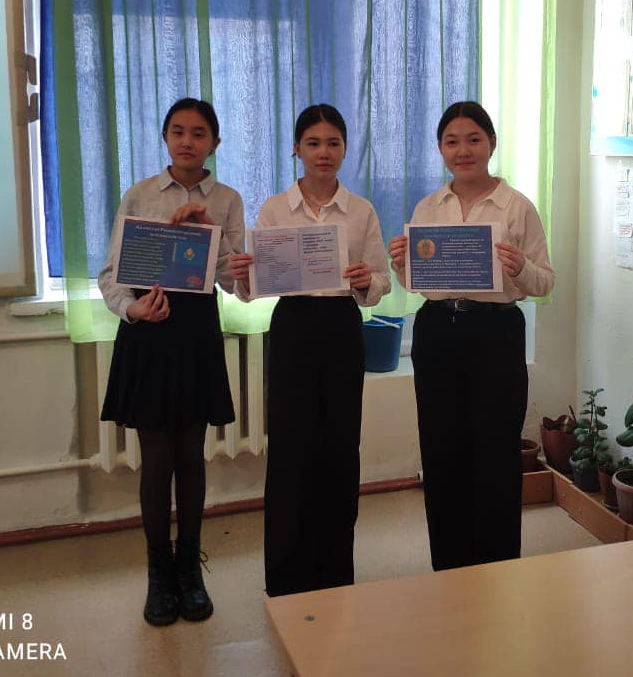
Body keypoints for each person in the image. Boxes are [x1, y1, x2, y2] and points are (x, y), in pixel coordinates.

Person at [229, 104, 390, 596]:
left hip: (342, 327)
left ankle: (335, 571)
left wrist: (365, 282)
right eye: (314, 143)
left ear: (345, 148)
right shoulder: (275, 208)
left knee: (339, 447)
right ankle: (286, 575)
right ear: (296, 148)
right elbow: (253, 287)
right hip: (294, 328)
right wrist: (243, 276)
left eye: (333, 143)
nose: (324, 152)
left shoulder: (361, 210)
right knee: (291, 448)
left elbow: (380, 281)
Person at [388, 101, 554, 571]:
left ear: (491, 144)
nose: (463, 150)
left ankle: (498, 569)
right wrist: (400, 264)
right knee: (441, 450)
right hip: (437, 332)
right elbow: (417, 284)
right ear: (440, 148)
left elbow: (545, 282)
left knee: (496, 451)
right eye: (452, 141)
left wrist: (520, 268)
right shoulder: (429, 206)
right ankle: (449, 567)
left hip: (495, 333)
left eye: (473, 139)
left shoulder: (517, 206)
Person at [98, 97, 244, 626]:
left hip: (196, 335)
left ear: (215, 143)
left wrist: (211, 232)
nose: (187, 141)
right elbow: (111, 275)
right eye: (178, 131)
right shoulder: (140, 194)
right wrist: (132, 309)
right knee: (157, 459)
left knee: (192, 455)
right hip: (149, 334)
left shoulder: (227, 199)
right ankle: (158, 573)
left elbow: (236, 280)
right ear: (165, 138)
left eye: (199, 133)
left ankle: (190, 570)